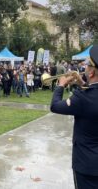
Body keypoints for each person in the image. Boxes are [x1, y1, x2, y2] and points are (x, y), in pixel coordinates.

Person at [50, 45, 98, 189]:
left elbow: (55, 106)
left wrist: (60, 86)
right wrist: (82, 84)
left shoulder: (83, 98)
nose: (85, 68)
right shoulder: (86, 95)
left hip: (86, 165)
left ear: (91, 72)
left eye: (87, 66)